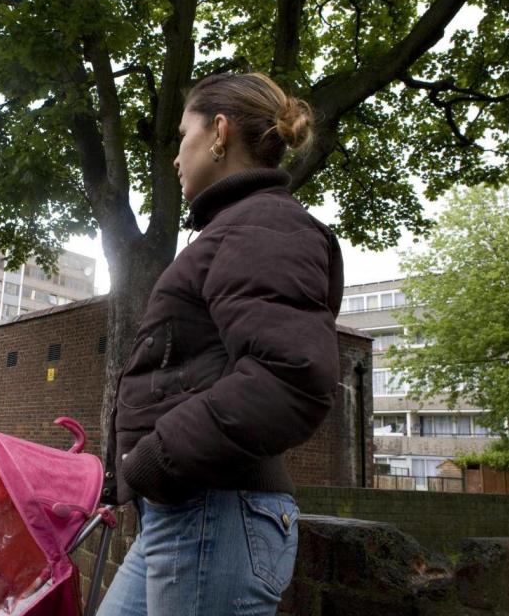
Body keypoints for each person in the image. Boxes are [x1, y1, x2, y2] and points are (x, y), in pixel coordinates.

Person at [98, 72, 344, 616]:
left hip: (214, 514)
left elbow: (290, 375)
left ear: (219, 132)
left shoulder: (264, 227)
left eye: (183, 135)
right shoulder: (237, 229)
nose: (175, 157)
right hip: (188, 511)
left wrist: (153, 459)